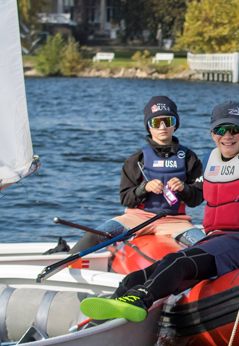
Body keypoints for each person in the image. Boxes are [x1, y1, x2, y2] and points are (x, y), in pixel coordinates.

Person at [80, 100, 239, 322]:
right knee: (137, 276)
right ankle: (99, 322)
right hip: (214, 239)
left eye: (234, 129)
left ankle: (140, 300)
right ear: (212, 133)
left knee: (177, 262)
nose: (227, 135)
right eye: (220, 130)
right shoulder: (209, 160)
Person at [68, 96, 203, 253]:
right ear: (148, 126)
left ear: (175, 125)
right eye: (155, 123)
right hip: (136, 218)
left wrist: (184, 188)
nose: (162, 127)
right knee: (96, 235)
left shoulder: (189, 158)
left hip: (175, 221)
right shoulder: (136, 160)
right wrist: (144, 188)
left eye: (168, 121)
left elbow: (197, 199)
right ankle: (65, 262)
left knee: (204, 245)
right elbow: (125, 198)